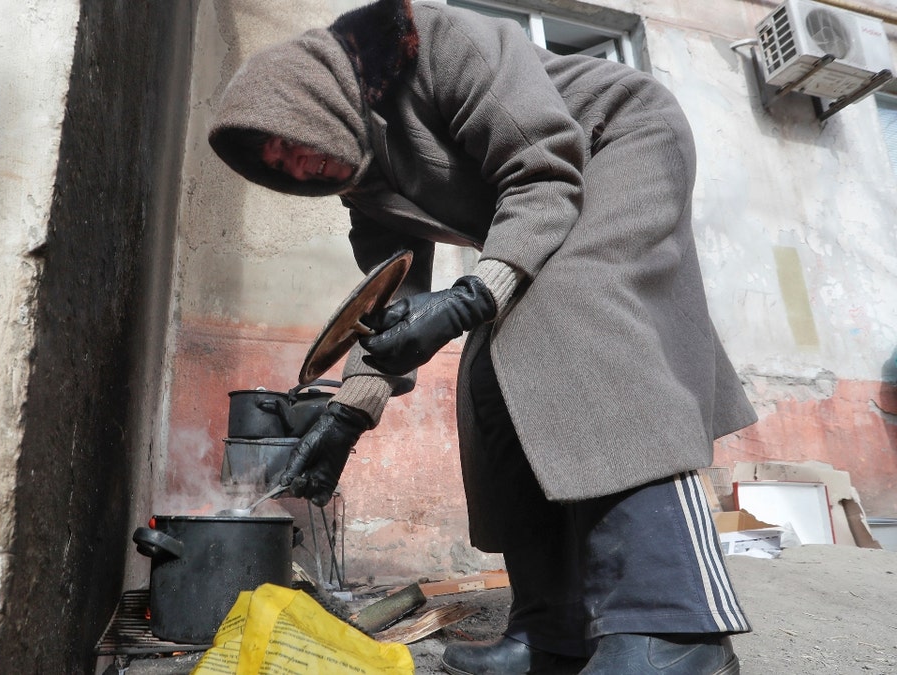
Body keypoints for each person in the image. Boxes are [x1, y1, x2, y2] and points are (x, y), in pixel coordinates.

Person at [208, 1, 758, 673]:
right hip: (551, 190)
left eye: (288, 142)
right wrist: (349, 413)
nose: (295, 167)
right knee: (488, 373)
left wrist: (472, 294)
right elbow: (391, 300)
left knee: (575, 311)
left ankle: (675, 628)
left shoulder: (431, 44)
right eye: (278, 167)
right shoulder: (363, 184)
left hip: (618, 143)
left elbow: (545, 170)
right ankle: (554, 630)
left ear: (308, 99)